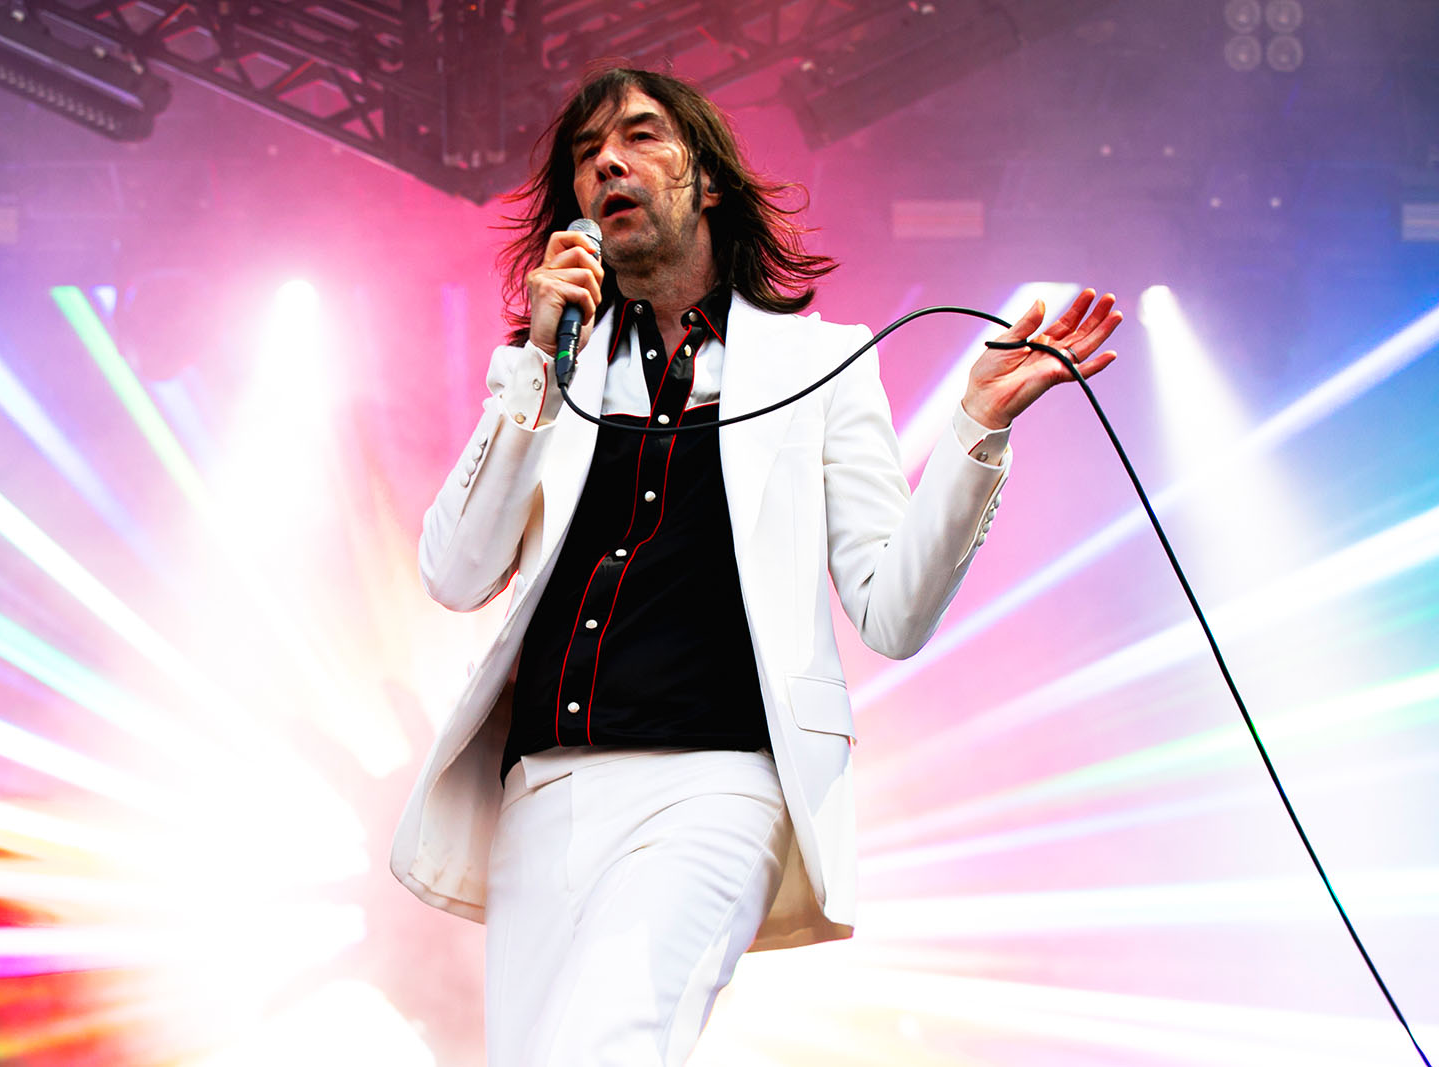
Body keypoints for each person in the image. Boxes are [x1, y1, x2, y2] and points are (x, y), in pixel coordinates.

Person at [390, 66, 1121, 1066]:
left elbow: (892, 610)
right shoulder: (551, 373)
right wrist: (536, 368)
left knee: (611, 1042)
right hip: (540, 798)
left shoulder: (820, 363)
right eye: (587, 152)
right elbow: (455, 573)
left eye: (642, 136)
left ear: (708, 181)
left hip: (712, 780)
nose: (609, 159)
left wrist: (975, 427)